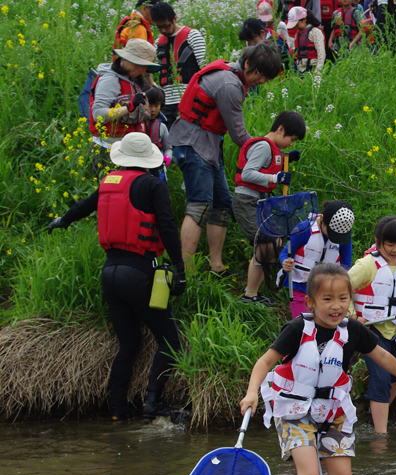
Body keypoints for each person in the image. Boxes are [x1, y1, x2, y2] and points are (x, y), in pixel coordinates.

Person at [239, 263, 396, 475]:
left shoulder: (353, 330)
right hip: (294, 409)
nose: (336, 306)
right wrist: (251, 393)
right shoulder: (296, 329)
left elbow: (383, 356)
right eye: (327, 299)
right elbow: (264, 362)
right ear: (310, 301)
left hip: (332, 411)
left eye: (343, 298)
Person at [48, 133, 188, 422]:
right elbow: (167, 226)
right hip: (140, 273)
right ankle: (153, 405)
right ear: (149, 159)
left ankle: (118, 412)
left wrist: (62, 221)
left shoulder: (108, 183)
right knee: (170, 340)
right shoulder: (152, 185)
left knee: (129, 343)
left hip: (110, 274)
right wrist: (179, 267)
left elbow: (83, 207)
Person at [169, 43, 282, 277]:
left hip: (207, 145)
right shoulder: (229, 85)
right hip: (194, 143)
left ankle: (216, 266)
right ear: (248, 64)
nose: (261, 81)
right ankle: (185, 272)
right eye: (260, 75)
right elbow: (239, 135)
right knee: (200, 204)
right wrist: (266, 150)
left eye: (266, 78)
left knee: (221, 204)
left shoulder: (231, 74)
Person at [349, 216, 396, 434]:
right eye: (390, 244)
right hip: (373, 329)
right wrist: (353, 316)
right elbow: (342, 285)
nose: (395, 249)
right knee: (380, 381)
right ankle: (381, 439)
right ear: (378, 242)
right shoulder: (368, 265)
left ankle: (374, 422)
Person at [233, 110, 306, 305]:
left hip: (260, 202)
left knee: (275, 243)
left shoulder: (274, 149)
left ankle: (254, 290)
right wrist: (275, 178)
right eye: (291, 139)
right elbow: (248, 173)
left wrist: (287, 158)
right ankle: (249, 294)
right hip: (246, 201)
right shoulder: (264, 146)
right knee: (266, 242)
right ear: (280, 129)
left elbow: (270, 166)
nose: (291, 143)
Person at [280, 201, 355, 319]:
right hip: (300, 287)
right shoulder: (304, 229)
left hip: (328, 292)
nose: (334, 237)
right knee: (303, 325)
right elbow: (285, 253)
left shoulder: (344, 238)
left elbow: (346, 265)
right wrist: (285, 262)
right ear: (323, 220)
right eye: (332, 233)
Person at [89, 38, 159, 153]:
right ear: (124, 59)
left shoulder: (134, 80)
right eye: (137, 63)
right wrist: (128, 108)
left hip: (129, 148)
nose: (140, 69)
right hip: (109, 148)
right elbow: (98, 113)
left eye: (144, 66)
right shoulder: (110, 79)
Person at [150, 1, 207, 125]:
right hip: (166, 100)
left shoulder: (192, 36)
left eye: (166, 25)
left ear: (174, 19)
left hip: (189, 97)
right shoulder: (158, 42)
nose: (163, 30)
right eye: (159, 27)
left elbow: (205, 67)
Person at [287, 7, 326, 78]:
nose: (295, 27)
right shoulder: (298, 34)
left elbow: (321, 54)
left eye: (296, 24)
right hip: (301, 70)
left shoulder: (315, 31)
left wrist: (317, 73)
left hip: (312, 69)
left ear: (304, 19)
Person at [144, 87, 173, 183]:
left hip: (156, 167)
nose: (152, 110)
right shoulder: (136, 124)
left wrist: (167, 157)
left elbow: (167, 148)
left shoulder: (162, 127)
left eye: (156, 106)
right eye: (149, 105)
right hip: (139, 166)